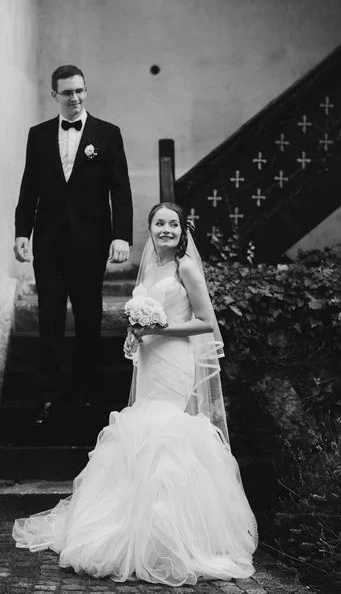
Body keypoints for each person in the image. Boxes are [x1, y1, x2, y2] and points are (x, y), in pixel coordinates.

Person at [12, 202, 258, 587]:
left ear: (182, 231)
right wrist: (136, 332)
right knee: (140, 433)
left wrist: (159, 330)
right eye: (159, 223)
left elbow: (206, 322)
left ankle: (169, 537)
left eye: (173, 224)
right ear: (150, 229)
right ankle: (130, 527)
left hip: (175, 363)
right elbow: (146, 314)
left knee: (164, 434)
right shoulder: (151, 268)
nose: (166, 230)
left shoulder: (185, 268)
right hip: (149, 362)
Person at [14, 65, 133, 423]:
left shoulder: (108, 134)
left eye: (80, 90)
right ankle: (48, 397)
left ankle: (86, 393)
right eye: (67, 92)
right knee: (49, 319)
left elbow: (120, 190)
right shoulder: (38, 135)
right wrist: (23, 232)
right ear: (55, 96)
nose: (75, 98)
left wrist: (121, 235)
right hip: (49, 244)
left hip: (90, 243)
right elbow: (29, 188)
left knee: (88, 318)